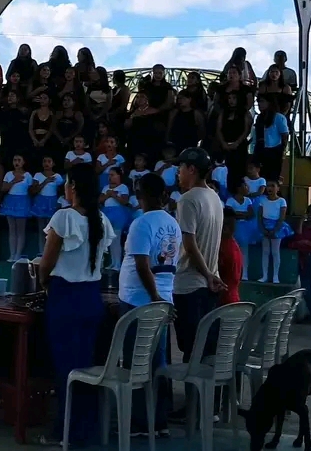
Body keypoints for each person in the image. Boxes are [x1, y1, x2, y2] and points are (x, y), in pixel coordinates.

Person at [37, 163, 116, 448]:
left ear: (73, 187)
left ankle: (64, 430)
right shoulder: (101, 219)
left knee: (65, 369)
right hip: (90, 297)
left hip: (65, 297)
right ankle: (85, 427)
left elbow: (46, 262)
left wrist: (43, 281)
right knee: (85, 366)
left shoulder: (64, 217)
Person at [118, 171, 181, 437]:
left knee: (136, 361)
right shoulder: (173, 223)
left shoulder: (141, 224)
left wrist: (153, 295)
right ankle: (159, 420)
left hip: (139, 300)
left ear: (140, 195)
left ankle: (139, 422)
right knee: (157, 360)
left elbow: (143, 266)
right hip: (163, 299)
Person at [171, 146, 226, 368]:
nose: (178, 173)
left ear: (192, 169)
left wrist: (206, 273)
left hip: (190, 284)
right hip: (209, 284)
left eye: (181, 168)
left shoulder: (188, 199)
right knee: (205, 350)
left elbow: (190, 244)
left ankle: (193, 391)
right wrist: (210, 274)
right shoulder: (214, 197)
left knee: (191, 352)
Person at [0, 154, 33, 262]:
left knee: (20, 230)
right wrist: (14, 180)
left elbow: (31, 190)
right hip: (10, 201)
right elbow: (4, 188)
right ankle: (12, 254)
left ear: (23, 162)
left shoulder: (28, 175)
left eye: (19, 160)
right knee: (12, 229)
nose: (16, 162)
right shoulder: (9, 174)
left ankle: (18, 254)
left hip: (22, 202)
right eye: (15, 160)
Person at [29, 156, 63, 253]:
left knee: (50, 229)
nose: (46, 163)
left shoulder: (57, 177)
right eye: (44, 161)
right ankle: (41, 252)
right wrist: (45, 182)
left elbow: (61, 190)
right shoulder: (38, 175)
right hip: (41, 202)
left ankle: (49, 252)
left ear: (53, 164)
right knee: (41, 228)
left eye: (49, 161)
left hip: (52, 203)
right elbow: (33, 190)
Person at [252, 94, 288, 182]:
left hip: (274, 150)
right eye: (258, 102)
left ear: (269, 103)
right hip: (260, 149)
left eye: (262, 101)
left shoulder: (279, 117)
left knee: (272, 177)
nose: (259, 104)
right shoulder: (259, 118)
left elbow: (284, 135)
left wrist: (282, 149)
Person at [217, 213, 243, 305]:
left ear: (224, 228)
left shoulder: (223, 248)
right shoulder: (235, 246)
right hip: (234, 298)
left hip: (223, 301)